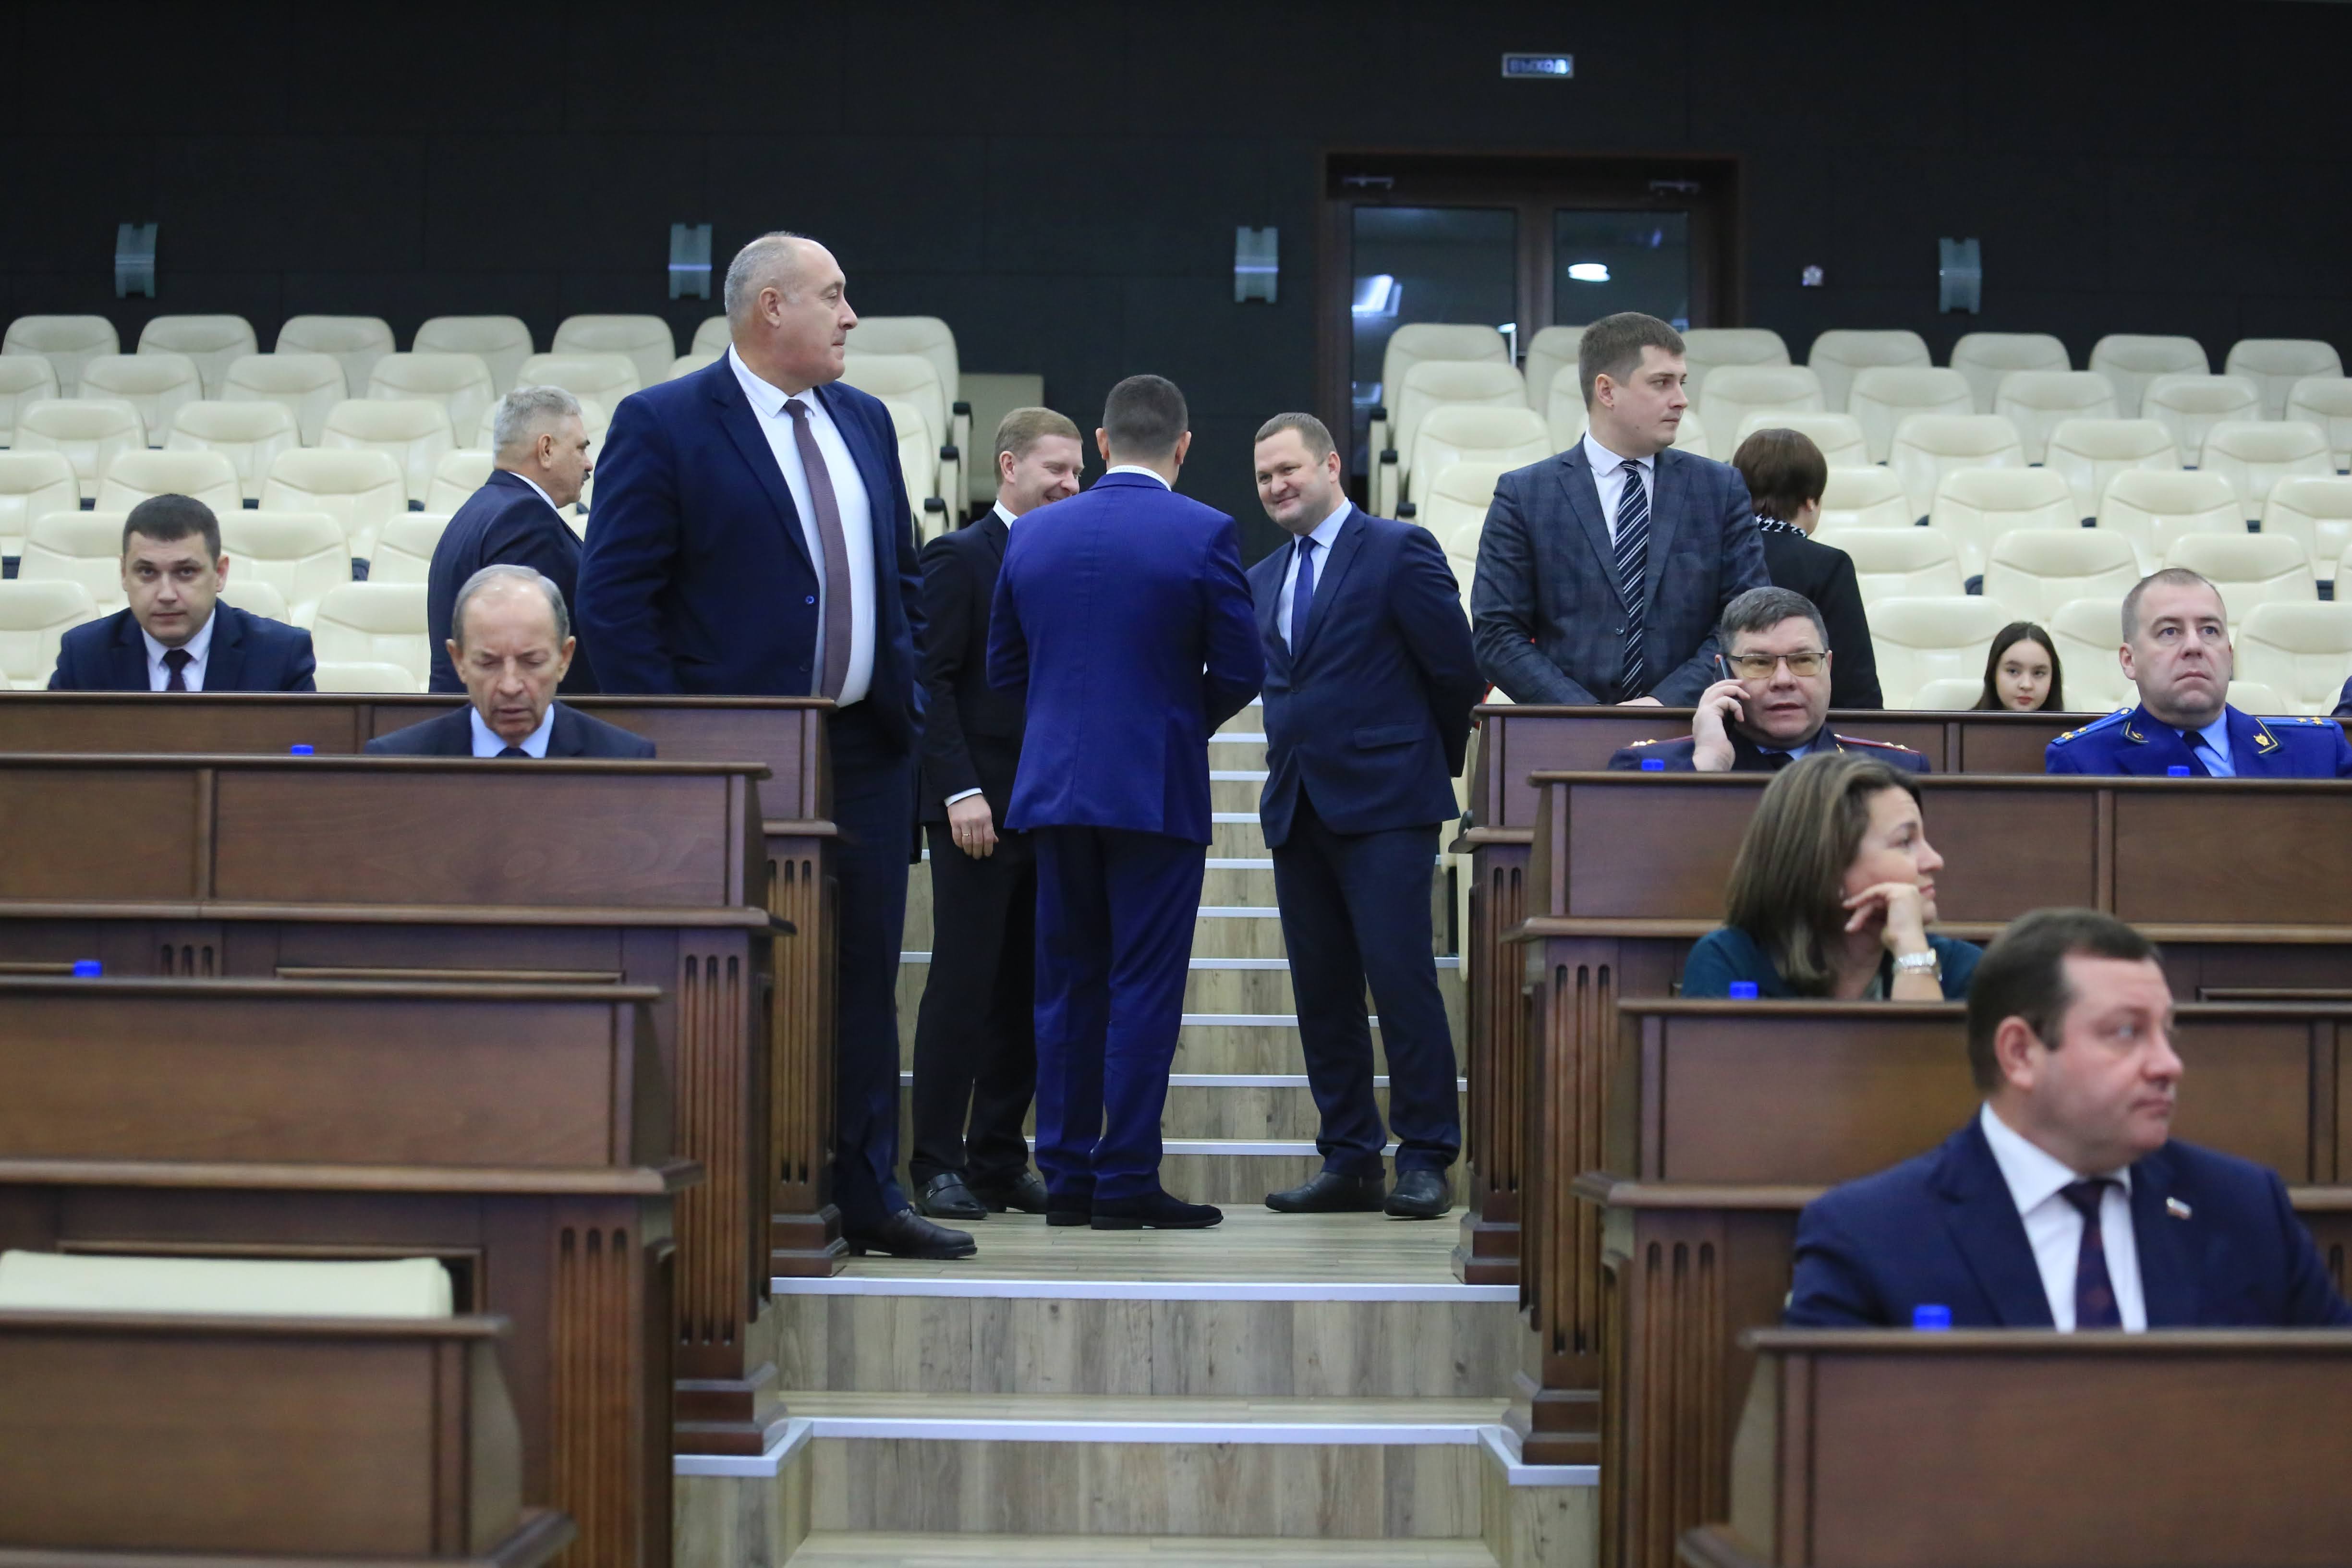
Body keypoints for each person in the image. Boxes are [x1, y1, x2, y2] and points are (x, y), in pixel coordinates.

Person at [576, 232, 968, 1260]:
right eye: (833, 296)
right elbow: (614, 604)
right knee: (735, 981)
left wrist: (904, 701)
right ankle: (735, 1196)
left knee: (866, 976)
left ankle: (868, 1191)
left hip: (865, 752)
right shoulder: (663, 423)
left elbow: (902, 580)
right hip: (734, 764)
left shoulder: (865, 420)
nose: (850, 316)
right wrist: (679, 746)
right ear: (769, 308)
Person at [1785, 908, 2352, 1328]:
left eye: (2165, 1032)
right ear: (2019, 1053)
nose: (2167, 1064)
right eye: (2125, 1032)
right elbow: (1822, 1445)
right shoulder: (1870, 1236)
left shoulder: (2244, 1210)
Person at [987, 374, 1262, 1231]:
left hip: (1053, 792)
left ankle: (1066, 1176)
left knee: (1065, 987)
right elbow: (1242, 668)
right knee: (1143, 984)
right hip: (1153, 789)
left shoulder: (1033, 534)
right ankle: (1126, 1178)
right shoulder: (1205, 531)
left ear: (1102, 444)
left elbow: (1003, 669)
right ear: (1183, 446)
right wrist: (1173, 724)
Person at [1245, 413, 1482, 1220]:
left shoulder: (1397, 548)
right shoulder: (1261, 577)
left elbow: (1454, 671)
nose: (1276, 486)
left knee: (1400, 981)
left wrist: (1418, 766)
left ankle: (1425, 1155)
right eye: (1263, 477)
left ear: (1329, 466)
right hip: (1297, 805)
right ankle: (1348, 1158)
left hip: (1387, 806)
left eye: (1288, 469)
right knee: (1322, 995)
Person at [905, 408, 1081, 1222]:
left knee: (1028, 992)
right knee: (963, 985)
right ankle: (936, 1162)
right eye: (1056, 471)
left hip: (1052, 808)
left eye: (1077, 472)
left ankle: (999, 1160)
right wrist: (957, 790)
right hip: (976, 810)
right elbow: (930, 682)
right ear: (1008, 467)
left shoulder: (1072, 560)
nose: (1070, 485)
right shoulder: (958, 557)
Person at [1470, 312, 1769, 706]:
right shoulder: (1526, 495)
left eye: (1681, 382)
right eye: (1661, 382)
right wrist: (1589, 719)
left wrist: (1663, 705)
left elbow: (1745, 621)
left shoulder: (1719, 489)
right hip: (1563, 731)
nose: (1681, 400)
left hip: (1692, 726)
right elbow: (1496, 634)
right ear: (1607, 391)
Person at [1679, 752, 1978, 1001]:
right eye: (1905, 842)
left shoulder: (1960, 967)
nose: (1935, 861)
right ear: (1828, 864)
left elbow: (1923, 1057)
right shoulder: (1731, 961)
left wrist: (1912, 952)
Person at [2046, 569, 2352, 777]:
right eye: (2169, 631)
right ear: (2129, 660)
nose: (2194, 646)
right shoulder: (2085, 761)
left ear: (2230, 656)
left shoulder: (2319, 751)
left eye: (2209, 630)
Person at [1606, 587, 1929, 773]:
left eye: (1803, 660)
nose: (1784, 680)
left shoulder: (1895, 772)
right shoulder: (1646, 767)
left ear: (1828, 666)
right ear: (1723, 673)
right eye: (1760, 663)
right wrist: (1708, 768)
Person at [367, 565, 652, 758]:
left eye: (532, 662)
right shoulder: (397, 763)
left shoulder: (623, 760)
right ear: (459, 661)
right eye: (488, 664)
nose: (510, 686)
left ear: (564, 658)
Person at [48, 495, 315, 693]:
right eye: (147, 572)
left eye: (186, 572)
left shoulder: (281, 655)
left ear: (220, 573)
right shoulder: (84, 655)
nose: (166, 595)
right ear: (124, 573)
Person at [428, 385, 596, 695]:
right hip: (510, 716)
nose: (589, 464)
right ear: (546, 450)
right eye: (580, 449)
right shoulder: (525, 518)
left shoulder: (476, 510)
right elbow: (525, 646)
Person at [1726, 427, 1880, 708]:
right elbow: (1854, 684)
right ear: (1811, 500)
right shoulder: (1828, 565)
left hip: (1718, 719)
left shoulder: (1711, 555)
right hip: (1798, 722)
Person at [1974, 620, 2063, 712]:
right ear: (1993, 674)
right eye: (2013, 671)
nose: (2027, 685)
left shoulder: (2071, 722)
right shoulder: (1966, 721)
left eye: (2038, 673)